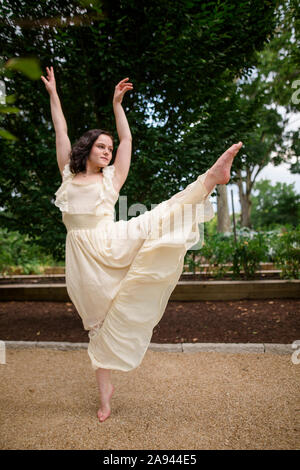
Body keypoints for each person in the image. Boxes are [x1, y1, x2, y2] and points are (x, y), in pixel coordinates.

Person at [41, 66, 243, 423]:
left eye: (109, 147)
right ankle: (106, 398)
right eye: (100, 146)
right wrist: (54, 94)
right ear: (86, 149)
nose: (107, 151)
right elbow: (61, 129)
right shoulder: (67, 176)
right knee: (97, 326)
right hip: (83, 264)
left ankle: (210, 179)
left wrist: (118, 106)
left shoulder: (111, 180)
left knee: (156, 218)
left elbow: (128, 143)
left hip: (111, 241)